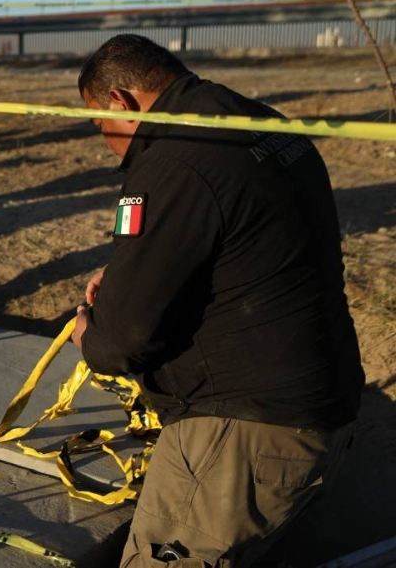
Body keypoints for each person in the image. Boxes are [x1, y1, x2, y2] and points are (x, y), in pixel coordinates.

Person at [71, 34, 364, 567]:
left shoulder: (172, 161)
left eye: (99, 124)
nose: (106, 142)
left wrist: (91, 333)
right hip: (323, 406)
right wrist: (137, 270)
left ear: (120, 101)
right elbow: (249, 246)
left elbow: (123, 341)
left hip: (247, 439)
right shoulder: (259, 123)